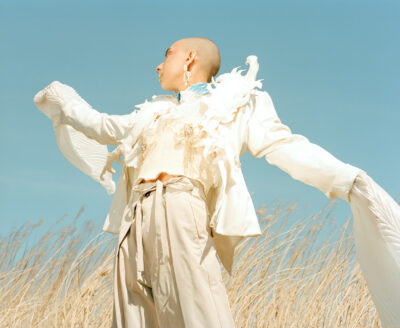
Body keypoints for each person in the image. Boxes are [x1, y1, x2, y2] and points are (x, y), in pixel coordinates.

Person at [33, 37, 399, 328]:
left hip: (181, 208)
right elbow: (103, 127)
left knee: (197, 308)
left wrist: (346, 179)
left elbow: (283, 144)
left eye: (168, 54)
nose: (158, 65)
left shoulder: (237, 102)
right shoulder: (152, 112)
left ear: (190, 58)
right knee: (133, 315)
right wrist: (62, 99)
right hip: (134, 219)